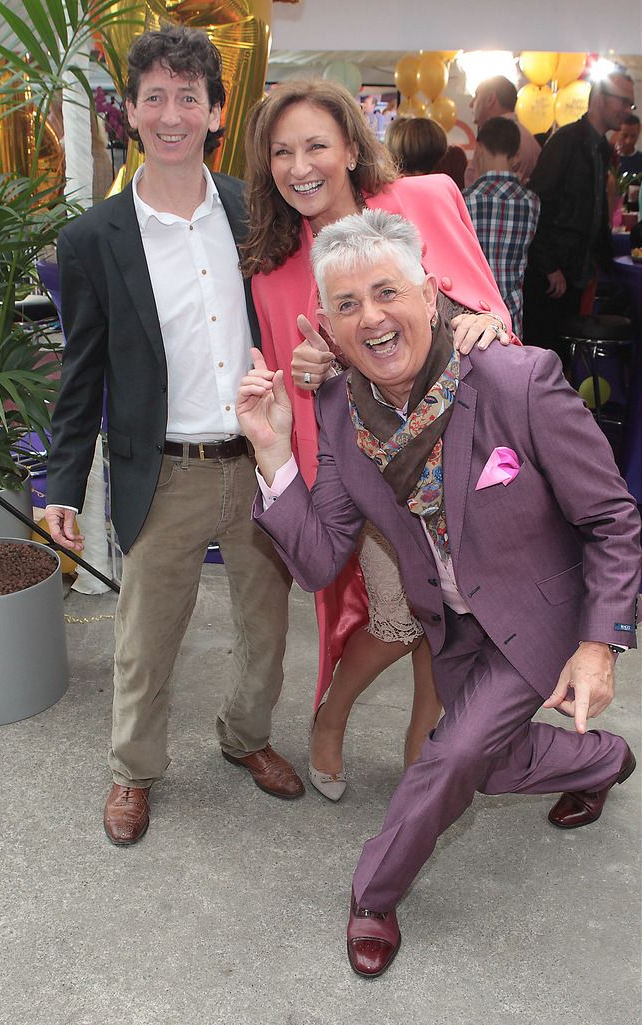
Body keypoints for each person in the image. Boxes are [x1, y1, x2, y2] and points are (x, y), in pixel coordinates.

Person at [237, 208, 640, 978]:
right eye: (347, 305)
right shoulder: (336, 405)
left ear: (428, 293)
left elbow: (612, 519)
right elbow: (322, 559)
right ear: (324, 323)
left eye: (386, 292)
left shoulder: (515, 380)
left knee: (450, 753)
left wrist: (599, 642)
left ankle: (372, 894)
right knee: (491, 763)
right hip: (453, 622)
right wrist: (270, 451)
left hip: (541, 611)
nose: (372, 318)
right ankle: (600, 761)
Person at [45, 26, 303, 848]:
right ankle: (133, 771)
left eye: (187, 96)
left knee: (266, 625)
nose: (169, 114)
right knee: (146, 640)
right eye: (153, 96)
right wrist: (58, 487)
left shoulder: (252, 211)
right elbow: (81, 375)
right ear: (127, 112)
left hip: (258, 461)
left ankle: (246, 735)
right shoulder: (95, 240)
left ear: (215, 111)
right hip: (164, 472)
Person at [242, 78, 516, 798]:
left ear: (350, 149)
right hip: (366, 477)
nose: (300, 166)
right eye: (282, 152)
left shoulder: (425, 199)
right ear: (265, 165)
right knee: (401, 621)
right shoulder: (273, 272)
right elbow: (287, 399)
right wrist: (308, 373)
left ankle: (422, 770)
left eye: (315, 146)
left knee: (447, 626)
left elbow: (480, 296)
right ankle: (331, 716)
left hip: (458, 461)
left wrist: (489, 317)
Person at [523, 70, 636, 366]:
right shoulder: (567, 140)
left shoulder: (599, 147)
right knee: (544, 364)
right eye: (623, 101)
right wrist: (548, 265)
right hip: (552, 277)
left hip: (572, 274)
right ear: (599, 98)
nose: (627, 110)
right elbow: (536, 203)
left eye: (630, 104)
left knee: (560, 365)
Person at [463, 117, 540, 337]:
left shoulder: (464, 200)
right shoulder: (531, 202)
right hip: (511, 315)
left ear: (479, 149)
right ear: (516, 157)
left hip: (471, 315)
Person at [465, 75, 540, 187]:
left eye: (476, 95)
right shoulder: (530, 139)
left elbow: (480, 191)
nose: (471, 104)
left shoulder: (492, 138)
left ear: (490, 99)